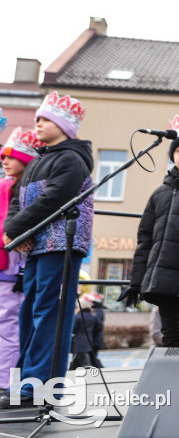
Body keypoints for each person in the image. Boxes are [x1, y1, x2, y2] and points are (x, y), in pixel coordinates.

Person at [1, 92, 93, 410]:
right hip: (36, 247)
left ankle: (40, 387)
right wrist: (15, 231)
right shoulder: (38, 161)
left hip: (60, 246)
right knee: (30, 312)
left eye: (44, 119)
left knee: (49, 313)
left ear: (63, 125)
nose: (37, 124)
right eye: (37, 118)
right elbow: (17, 201)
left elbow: (53, 200)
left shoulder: (71, 159)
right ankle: (26, 384)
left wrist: (18, 230)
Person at [119, 115, 179, 347]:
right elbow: (145, 240)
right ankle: (172, 383)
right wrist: (136, 282)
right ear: (172, 154)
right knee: (168, 333)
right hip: (163, 279)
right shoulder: (160, 193)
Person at [1, 125, 42, 395]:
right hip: (8, 267)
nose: (4, 160)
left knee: (10, 326)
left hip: (14, 269)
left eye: (11, 156)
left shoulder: (22, 189)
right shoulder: (7, 187)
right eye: (3, 156)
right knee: (9, 325)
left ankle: (7, 382)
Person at [69, 293, 102, 370]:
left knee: (86, 363)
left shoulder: (78, 316)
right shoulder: (93, 316)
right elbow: (98, 327)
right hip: (88, 341)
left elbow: (73, 329)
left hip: (79, 343)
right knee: (76, 361)